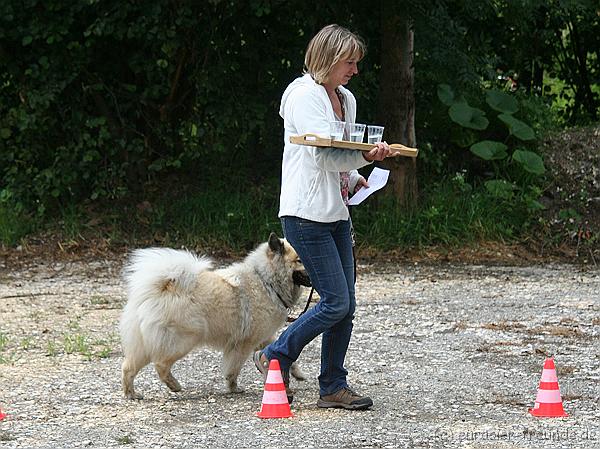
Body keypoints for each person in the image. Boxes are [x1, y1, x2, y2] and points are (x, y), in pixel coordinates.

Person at [254, 24, 390, 410]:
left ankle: (332, 386)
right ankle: (275, 355)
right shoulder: (302, 96)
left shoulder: (345, 98)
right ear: (328, 59)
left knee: (346, 307)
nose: (354, 70)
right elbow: (322, 154)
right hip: (305, 214)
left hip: (336, 213)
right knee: (335, 302)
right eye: (349, 62)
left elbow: (341, 157)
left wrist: (357, 176)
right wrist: (364, 155)